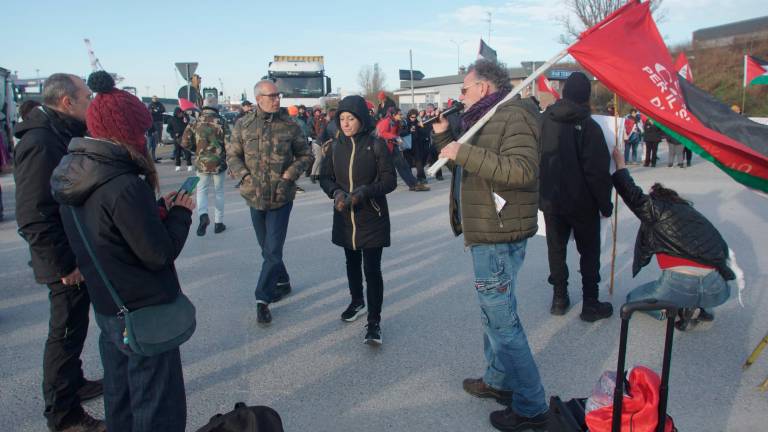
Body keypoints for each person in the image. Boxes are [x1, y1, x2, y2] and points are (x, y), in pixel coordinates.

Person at [51, 71, 194, 432]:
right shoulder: (124, 183)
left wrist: (156, 210)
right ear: (127, 131)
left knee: (122, 398)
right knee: (156, 405)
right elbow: (158, 254)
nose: (146, 137)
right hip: (143, 309)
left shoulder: (75, 171)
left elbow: (109, 230)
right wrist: (180, 214)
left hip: (109, 305)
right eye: (142, 130)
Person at [431, 59, 549, 431]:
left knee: (502, 323)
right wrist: (444, 139)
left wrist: (462, 151)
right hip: (487, 229)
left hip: (498, 234)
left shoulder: (514, 115)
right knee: (493, 316)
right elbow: (469, 170)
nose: (460, 97)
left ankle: (532, 405)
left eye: (464, 90)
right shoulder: (483, 117)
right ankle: (498, 380)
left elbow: (522, 170)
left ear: (483, 87)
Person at [13, 73, 105, 432]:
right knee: (64, 334)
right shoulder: (40, 141)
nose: (91, 102)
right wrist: (64, 264)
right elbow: (33, 214)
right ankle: (63, 415)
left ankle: (75, 383)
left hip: (73, 253)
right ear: (67, 102)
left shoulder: (58, 131)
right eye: (86, 97)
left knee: (75, 328)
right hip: (64, 262)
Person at [611, 145, 733, 330]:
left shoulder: (656, 210)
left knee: (632, 299)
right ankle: (698, 308)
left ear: (656, 199)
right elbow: (723, 251)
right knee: (693, 289)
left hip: (679, 282)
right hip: (717, 287)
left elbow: (632, 194)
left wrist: (620, 165)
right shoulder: (695, 216)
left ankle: (670, 311)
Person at [226, 80, 311, 324]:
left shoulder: (290, 125)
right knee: (266, 248)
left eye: (278, 95)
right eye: (272, 96)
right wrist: (244, 176)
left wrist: (289, 174)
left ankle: (262, 299)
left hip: (281, 197)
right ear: (258, 99)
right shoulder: (243, 125)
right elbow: (232, 155)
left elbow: (305, 155)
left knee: (272, 250)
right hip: (254, 196)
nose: (277, 99)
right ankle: (282, 280)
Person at [319, 95, 396, 345]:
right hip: (345, 216)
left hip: (371, 215)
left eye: (350, 118)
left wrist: (364, 192)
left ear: (361, 119)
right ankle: (357, 301)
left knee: (371, 269)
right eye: (342, 118)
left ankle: (374, 322)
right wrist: (335, 193)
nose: (345, 123)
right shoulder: (334, 147)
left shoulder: (376, 145)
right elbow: (325, 178)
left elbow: (390, 181)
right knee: (351, 262)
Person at [539, 72, 614, 321]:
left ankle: (559, 298)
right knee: (589, 253)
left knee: (556, 250)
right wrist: (605, 204)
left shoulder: (543, 121)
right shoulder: (590, 126)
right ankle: (590, 302)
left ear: (564, 93)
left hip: (551, 199)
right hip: (583, 202)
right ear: (586, 96)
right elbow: (597, 172)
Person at [182, 94, 229, 236]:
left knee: (201, 190)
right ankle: (218, 223)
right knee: (219, 192)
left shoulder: (195, 122)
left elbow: (185, 142)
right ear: (216, 107)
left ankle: (203, 216)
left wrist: (196, 150)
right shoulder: (222, 122)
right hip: (219, 163)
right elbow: (230, 144)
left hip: (201, 163)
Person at [376, 108, 429, 192]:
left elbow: (398, 133)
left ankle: (414, 185)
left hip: (392, 147)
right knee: (383, 168)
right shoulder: (386, 121)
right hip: (384, 149)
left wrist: (404, 134)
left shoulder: (397, 122)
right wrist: (395, 137)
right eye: (399, 114)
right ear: (394, 115)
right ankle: (375, 186)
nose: (401, 115)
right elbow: (382, 133)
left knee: (403, 166)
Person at [167, 107, 192, 171]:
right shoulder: (171, 119)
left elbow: (189, 125)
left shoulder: (185, 118)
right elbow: (168, 129)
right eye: (179, 113)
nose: (180, 114)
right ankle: (178, 165)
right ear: (176, 113)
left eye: (181, 113)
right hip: (177, 138)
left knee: (187, 151)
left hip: (185, 137)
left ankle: (189, 165)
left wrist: (186, 117)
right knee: (177, 152)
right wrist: (174, 134)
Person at [148, 96, 165, 162]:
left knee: (154, 144)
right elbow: (150, 111)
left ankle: (154, 158)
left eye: (156, 98)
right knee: (149, 145)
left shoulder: (160, 104)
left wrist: (156, 111)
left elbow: (163, 110)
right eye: (154, 98)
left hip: (159, 121)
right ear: (152, 99)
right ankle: (148, 158)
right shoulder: (150, 105)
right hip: (152, 127)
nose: (155, 99)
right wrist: (156, 111)